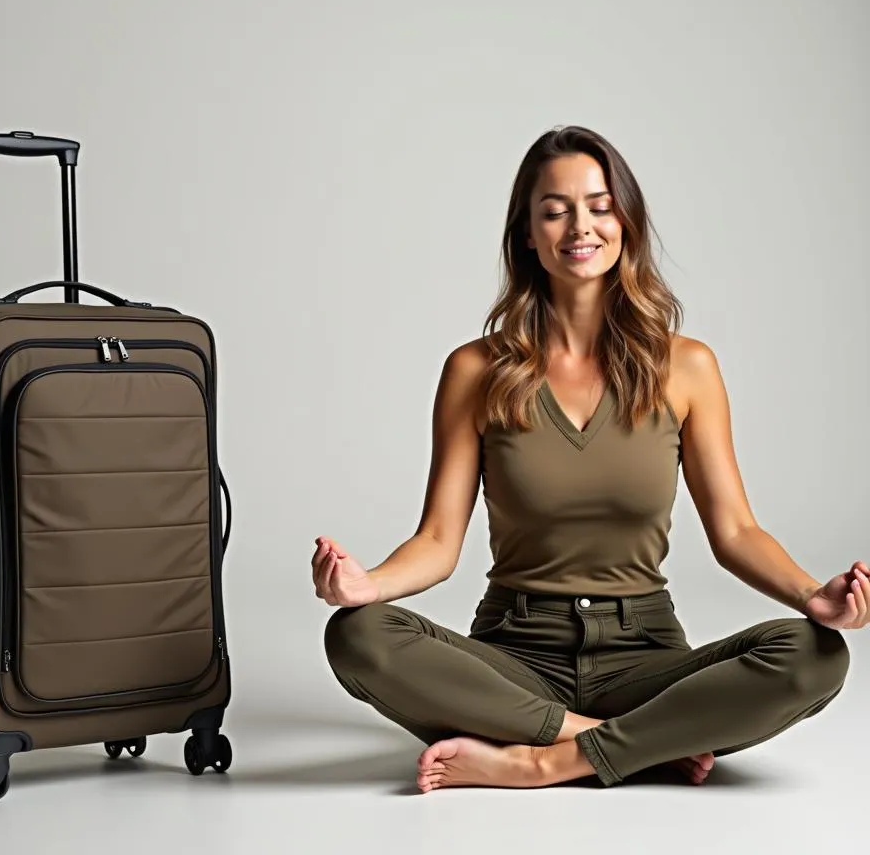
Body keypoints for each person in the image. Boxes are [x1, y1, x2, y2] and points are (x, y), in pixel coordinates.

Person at [312, 124, 865, 793]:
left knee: (814, 656)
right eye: (555, 209)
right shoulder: (474, 371)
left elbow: (737, 532)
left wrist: (815, 596)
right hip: (513, 658)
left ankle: (539, 757)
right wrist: (368, 585)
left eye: (600, 205)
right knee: (358, 636)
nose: (581, 225)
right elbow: (436, 540)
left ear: (625, 221)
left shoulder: (685, 368)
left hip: (647, 662)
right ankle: (625, 742)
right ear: (527, 233)